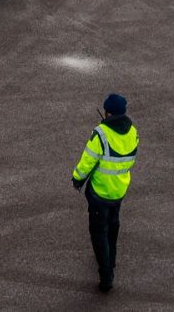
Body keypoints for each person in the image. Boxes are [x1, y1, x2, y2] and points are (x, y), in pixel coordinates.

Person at [72, 93, 139, 293]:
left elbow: (88, 161)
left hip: (100, 192)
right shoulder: (133, 132)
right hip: (119, 189)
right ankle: (112, 258)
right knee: (113, 225)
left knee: (98, 232)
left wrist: (77, 179)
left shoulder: (101, 133)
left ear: (107, 112)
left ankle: (107, 274)